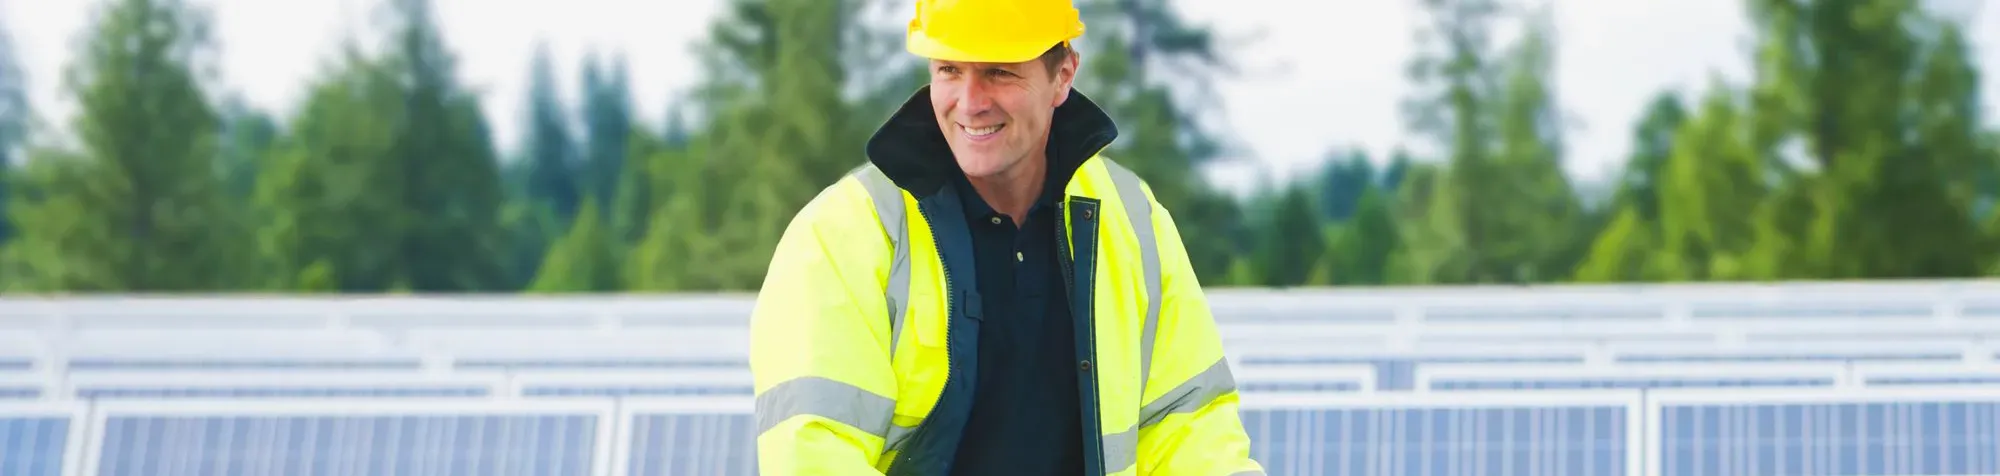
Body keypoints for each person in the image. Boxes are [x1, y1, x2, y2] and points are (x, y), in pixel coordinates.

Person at [747, 0, 1263, 475]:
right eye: (949, 69)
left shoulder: (1131, 220)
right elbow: (813, 454)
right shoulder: (842, 235)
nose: (970, 103)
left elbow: (1190, 430)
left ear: (1063, 75)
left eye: (998, 72)